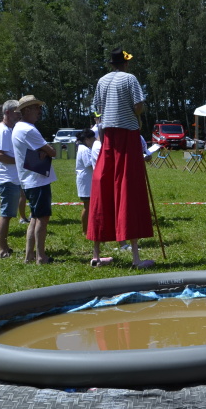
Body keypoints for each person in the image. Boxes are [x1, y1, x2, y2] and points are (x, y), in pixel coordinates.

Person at [88, 48, 155, 269]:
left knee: (103, 188)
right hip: (127, 136)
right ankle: (136, 259)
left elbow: (97, 108)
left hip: (108, 137)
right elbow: (138, 106)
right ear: (125, 63)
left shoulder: (102, 81)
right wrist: (137, 113)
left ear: (111, 64)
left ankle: (97, 256)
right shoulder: (130, 79)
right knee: (128, 190)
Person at [11, 95, 57, 264]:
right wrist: (46, 150)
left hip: (28, 179)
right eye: (37, 107)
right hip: (37, 179)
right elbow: (52, 152)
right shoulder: (29, 130)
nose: (39, 111)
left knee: (34, 218)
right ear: (27, 110)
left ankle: (29, 255)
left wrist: (45, 150)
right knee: (42, 219)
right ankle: (41, 256)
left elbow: (45, 150)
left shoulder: (18, 127)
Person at [0, 100, 22, 257]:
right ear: (7, 112)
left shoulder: (7, 130)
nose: (19, 115)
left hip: (10, 177)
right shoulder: (2, 131)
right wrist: (20, 161)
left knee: (8, 213)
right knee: (6, 214)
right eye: (17, 112)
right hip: (6, 178)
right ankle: (2, 249)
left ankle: (5, 247)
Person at [75, 128, 112, 267]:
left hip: (87, 180)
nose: (92, 142)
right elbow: (90, 164)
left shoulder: (84, 148)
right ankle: (85, 230)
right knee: (87, 206)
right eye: (91, 139)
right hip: (86, 181)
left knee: (89, 206)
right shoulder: (84, 149)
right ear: (86, 140)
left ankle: (86, 229)